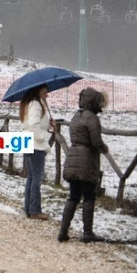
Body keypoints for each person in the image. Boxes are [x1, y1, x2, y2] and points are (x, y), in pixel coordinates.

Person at [58, 87, 108, 243]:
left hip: (73, 158)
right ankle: (87, 232)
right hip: (86, 161)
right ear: (94, 102)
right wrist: (104, 148)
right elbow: (96, 141)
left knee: (73, 196)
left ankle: (63, 231)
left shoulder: (76, 116)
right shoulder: (92, 118)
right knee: (88, 196)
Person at [20, 84, 54, 220]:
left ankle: (28, 208)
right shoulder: (36, 104)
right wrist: (41, 139)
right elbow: (34, 125)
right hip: (35, 145)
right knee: (37, 178)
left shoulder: (31, 104)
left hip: (28, 143)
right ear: (37, 92)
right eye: (44, 92)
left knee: (32, 177)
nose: (47, 95)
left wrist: (51, 124)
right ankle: (35, 210)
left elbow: (38, 123)